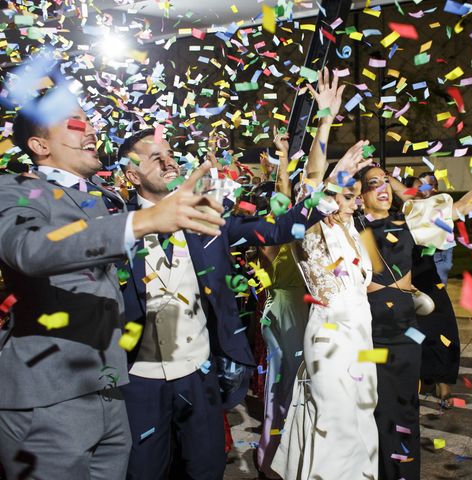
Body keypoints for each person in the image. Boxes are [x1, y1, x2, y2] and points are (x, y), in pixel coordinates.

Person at [0, 94, 225, 480]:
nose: (90, 129)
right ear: (40, 145)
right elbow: (29, 248)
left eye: (88, 120)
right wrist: (141, 221)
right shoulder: (17, 188)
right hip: (48, 398)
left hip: (109, 391)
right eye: (74, 122)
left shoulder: (105, 200)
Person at [117, 128, 334, 479]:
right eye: (155, 157)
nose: (169, 161)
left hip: (199, 373)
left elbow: (278, 230)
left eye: (170, 153)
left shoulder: (206, 219)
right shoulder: (117, 225)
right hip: (138, 379)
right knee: (143, 471)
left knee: (206, 468)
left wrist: (329, 192)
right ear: (132, 174)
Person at [358, 164, 472, 480]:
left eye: (386, 181)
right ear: (358, 192)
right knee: (373, 409)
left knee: (405, 408)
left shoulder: (408, 221)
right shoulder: (347, 226)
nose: (383, 187)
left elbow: (462, 206)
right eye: (373, 183)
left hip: (403, 329)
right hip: (365, 330)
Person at [273, 68, 378, 480]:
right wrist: (326, 119)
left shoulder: (354, 230)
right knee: (335, 419)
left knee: (363, 413)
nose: (352, 200)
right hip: (328, 333)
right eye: (345, 194)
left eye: (354, 194)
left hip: (362, 334)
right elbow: (311, 180)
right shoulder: (312, 229)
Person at [255, 129, 309, 479]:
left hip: (299, 310)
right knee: (285, 385)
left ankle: (286, 455)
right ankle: (276, 459)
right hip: (288, 310)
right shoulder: (279, 231)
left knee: (292, 384)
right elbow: (281, 196)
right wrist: (283, 161)